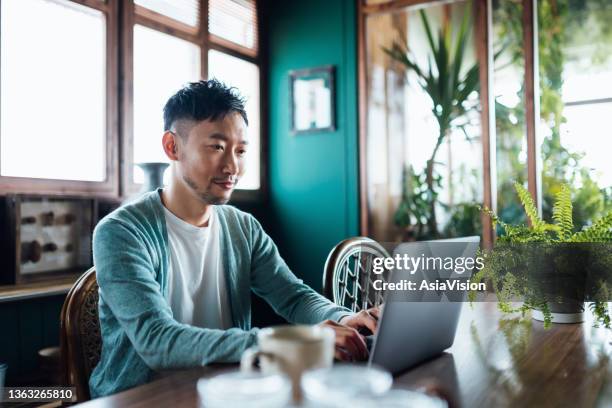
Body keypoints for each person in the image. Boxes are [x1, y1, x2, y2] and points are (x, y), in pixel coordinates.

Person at [90, 79, 379, 397]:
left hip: (229, 392)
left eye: (240, 151)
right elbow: (156, 341)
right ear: (173, 147)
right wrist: (285, 342)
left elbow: (293, 297)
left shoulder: (244, 228)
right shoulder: (120, 232)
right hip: (142, 398)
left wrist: (344, 318)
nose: (232, 166)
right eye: (216, 147)